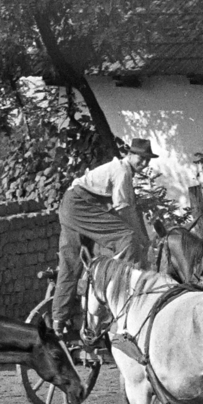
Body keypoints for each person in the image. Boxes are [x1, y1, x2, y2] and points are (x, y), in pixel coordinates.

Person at [52, 138, 157, 336]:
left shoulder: (122, 170)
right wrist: (141, 239)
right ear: (130, 154)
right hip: (78, 205)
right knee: (127, 238)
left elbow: (128, 209)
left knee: (71, 264)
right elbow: (123, 209)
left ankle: (58, 322)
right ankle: (126, 295)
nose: (144, 163)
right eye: (140, 158)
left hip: (69, 205)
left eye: (147, 160)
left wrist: (142, 236)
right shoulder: (122, 171)